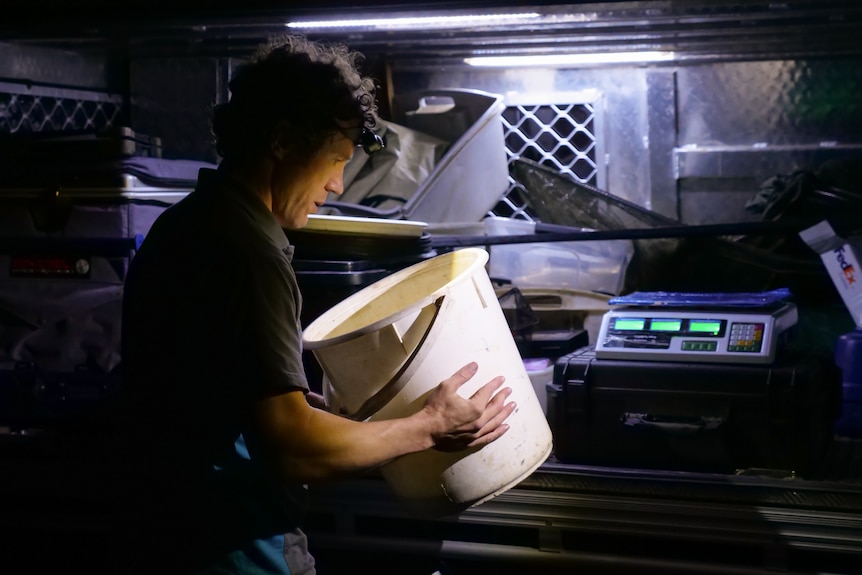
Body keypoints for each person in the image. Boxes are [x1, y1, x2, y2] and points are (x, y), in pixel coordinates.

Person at [111, 34, 515, 575]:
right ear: (282, 141)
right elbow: (292, 449)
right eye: (334, 160)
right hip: (240, 552)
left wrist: (323, 416)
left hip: (166, 537)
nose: (337, 183)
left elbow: (213, 397)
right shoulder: (248, 253)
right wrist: (429, 426)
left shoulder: (183, 226)